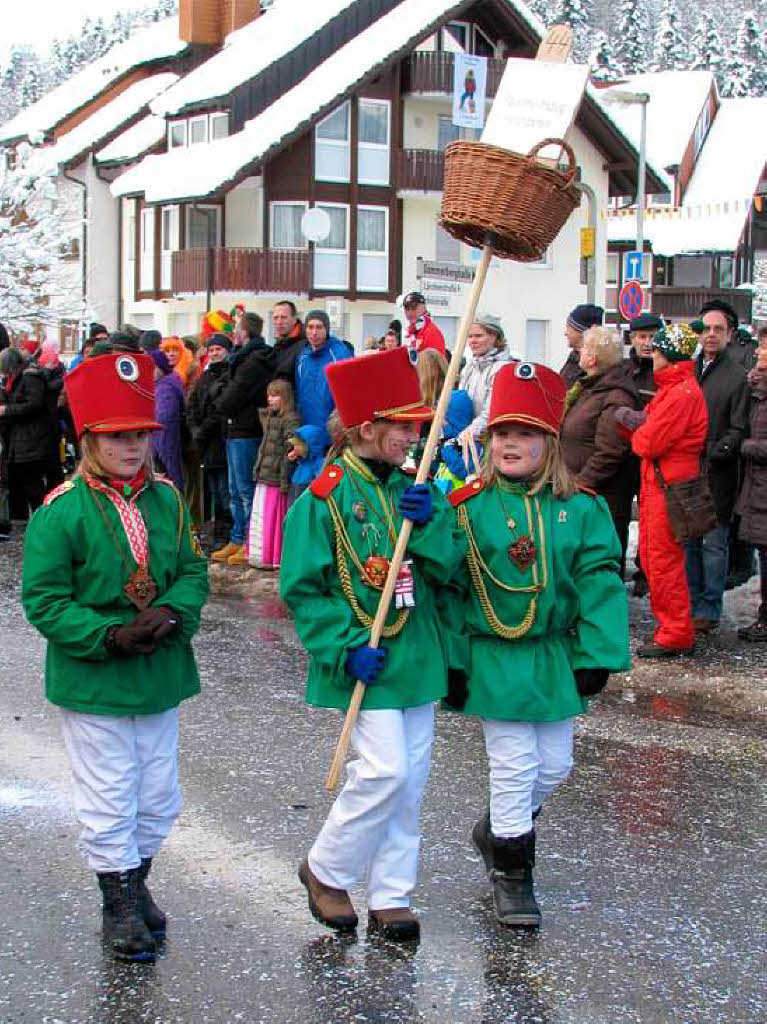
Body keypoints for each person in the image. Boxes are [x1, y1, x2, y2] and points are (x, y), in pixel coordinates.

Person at [21, 350, 208, 964]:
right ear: (89, 439)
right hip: (95, 677)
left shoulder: (168, 501)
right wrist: (108, 636)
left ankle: (136, 881)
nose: (132, 447)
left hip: (158, 674)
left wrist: (175, 612)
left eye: (141, 435)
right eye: (117, 437)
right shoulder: (62, 510)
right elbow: (44, 600)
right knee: (110, 796)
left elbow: (192, 571)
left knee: (159, 799)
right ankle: (120, 906)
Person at [280, 347, 465, 943]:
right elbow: (304, 588)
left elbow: (448, 568)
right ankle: (326, 869)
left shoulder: (416, 488)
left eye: (417, 423)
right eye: (404, 425)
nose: (415, 434)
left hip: (415, 655)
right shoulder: (324, 497)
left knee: (409, 781)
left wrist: (432, 519)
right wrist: (342, 645)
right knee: (383, 771)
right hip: (364, 658)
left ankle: (391, 894)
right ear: (367, 428)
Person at [446, 361, 630, 927]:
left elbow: (600, 581)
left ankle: (498, 830)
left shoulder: (581, 509)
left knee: (555, 765)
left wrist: (598, 654)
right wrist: (453, 663)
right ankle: (513, 876)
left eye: (524, 433)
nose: (509, 444)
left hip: (552, 653)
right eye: (501, 432)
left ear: (548, 443)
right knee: (514, 764)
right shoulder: (468, 508)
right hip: (494, 654)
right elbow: (449, 590)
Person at [615, 323, 709, 658]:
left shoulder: (680, 393)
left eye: (656, 350)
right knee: (657, 561)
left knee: (662, 562)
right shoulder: (675, 388)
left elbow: (648, 442)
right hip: (662, 484)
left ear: (668, 356)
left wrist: (636, 430)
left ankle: (674, 633)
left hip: (668, 487)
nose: (651, 355)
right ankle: (670, 628)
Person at [686, 301, 749, 634]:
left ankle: (709, 608)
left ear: (729, 335)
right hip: (686, 474)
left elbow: (739, 430)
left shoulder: (737, 376)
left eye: (718, 329)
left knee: (713, 546)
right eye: (705, 329)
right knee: (689, 543)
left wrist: (713, 450)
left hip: (717, 475)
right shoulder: (690, 369)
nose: (710, 335)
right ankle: (692, 602)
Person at [560, 326, 640, 576]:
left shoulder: (616, 396)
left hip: (602, 498)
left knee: (600, 563)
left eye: (583, 349)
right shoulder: (590, 388)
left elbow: (610, 451)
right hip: (582, 492)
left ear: (593, 357)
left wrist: (579, 485)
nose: (579, 353)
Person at [212, 312, 274, 566]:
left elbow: (234, 394)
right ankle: (237, 538)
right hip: (234, 428)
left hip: (246, 430)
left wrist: (220, 400)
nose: (233, 332)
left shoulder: (255, 359)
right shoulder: (242, 357)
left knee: (245, 490)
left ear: (245, 332)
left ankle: (248, 541)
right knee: (234, 490)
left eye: (236, 328)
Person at [624, 312, 663, 596]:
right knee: (622, 515)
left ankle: (645, 572)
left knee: (651, 521)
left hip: (654, 456)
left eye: (652, 337)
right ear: (632, 339)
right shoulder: (623, 369)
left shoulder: (664, 371)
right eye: (642, 337)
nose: (647, 343)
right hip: (624, 456)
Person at [0, 347, 62, 518]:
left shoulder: (30, 378)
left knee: (33, 485)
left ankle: (43, 518)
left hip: (34, 441)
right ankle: (30, 517)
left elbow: (34, 405)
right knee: (27, 483)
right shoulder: (24, 378)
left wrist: (7, 410)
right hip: (26, 442)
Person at [247, 379, 301, 569]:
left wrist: (284, 480)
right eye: (269, 395)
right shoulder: (271, 418)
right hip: (265, 474)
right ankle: (260, 554)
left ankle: (273, 556)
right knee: (262, 516)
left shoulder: (290, 419)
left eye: (275, 395)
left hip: (276, 477)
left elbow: (289, 453)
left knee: (272, 517)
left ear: (285, 397)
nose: (270, 399)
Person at [186, 332, 232, 549]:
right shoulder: (205, 377)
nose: (214, 353)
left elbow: (220, 409)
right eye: (212, 350)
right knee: (213, 489)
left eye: (218, 350)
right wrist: (195, 428)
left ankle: (225, 532)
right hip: (205, 442)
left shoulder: (228, 375)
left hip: (219, 439)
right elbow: (192, 404)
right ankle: (215, 530)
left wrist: (203, 429)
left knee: (224, 490)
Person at [735, 336, 767, 641]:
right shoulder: (758, 390)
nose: (758, 351)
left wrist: (747, 446)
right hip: (757, 488)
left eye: (765, 347)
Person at [294, 309, 353, 450]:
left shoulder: (339, 355)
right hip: (309, 433)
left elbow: (348, 395)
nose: (314, 332)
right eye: (310, 327)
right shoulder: (302, 358)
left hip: (332, 435)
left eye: (319, 327)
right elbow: (299, 396)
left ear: (327, 329)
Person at [458, 314, 515, 441]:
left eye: (479, 336)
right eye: (470, 336)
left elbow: (491, 412)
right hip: (466, 436)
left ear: (494, 337)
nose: (473, 341)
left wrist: (465, 436)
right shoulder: (469, 368)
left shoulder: (503, 369)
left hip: (490, 439)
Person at [148, 349, 184, 490]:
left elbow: (164, 417)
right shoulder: (163, 384)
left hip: (165, 439)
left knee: (171, 475)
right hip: (160, 438)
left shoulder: (166, 387)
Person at [559, 304, 603, 390]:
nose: (565, 333)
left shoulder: (592, 366)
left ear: (581, 331)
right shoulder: (573, 358)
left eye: (569, 328)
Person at [286, 424, 326, 507]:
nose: (294, 447)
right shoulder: (301, 463)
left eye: (298, 445)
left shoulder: (319, 463)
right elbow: (287, 477)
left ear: (310, 445)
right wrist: (290, 462)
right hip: (293, 505)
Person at [402, 291, 446, 358]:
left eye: (414, 308)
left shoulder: (431, 331)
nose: (410, 312)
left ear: (424, 308)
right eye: (407, 309)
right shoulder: (410, 331)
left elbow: (436, 363)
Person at [272, 300, 306, 383]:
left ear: (294, 319)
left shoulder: (304, 345)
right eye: (276, 318)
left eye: (283, 317)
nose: (279, 322)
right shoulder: (279, 344)